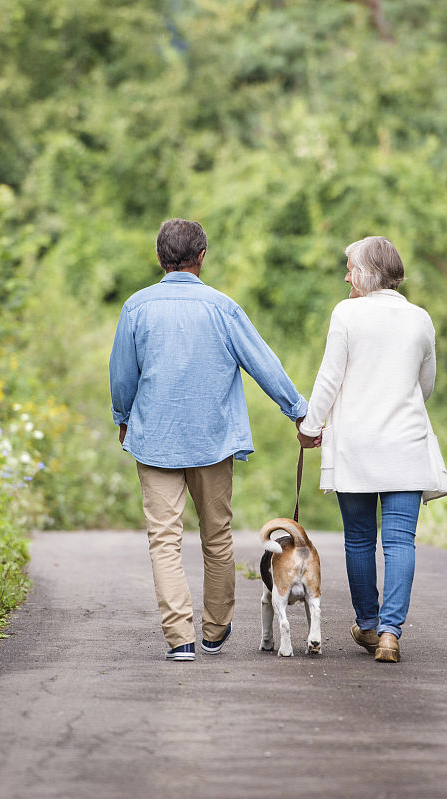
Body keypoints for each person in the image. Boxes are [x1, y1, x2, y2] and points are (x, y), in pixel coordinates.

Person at [110, 218, 309, 662]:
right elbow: (262, 361)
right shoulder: (223, 308)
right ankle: (215, 631)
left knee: (164, 539)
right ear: (202, 258)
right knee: (216, 536)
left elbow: (122, 375)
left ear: (160, 258)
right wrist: (298, 411)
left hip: (155, 439)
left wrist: (123, 418)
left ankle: (179, 637)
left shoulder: (136, 307)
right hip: (212, 440)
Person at [296, 236, 447, 664]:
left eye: (349, 267)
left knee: (360, 540)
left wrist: (310, 427)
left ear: (365, 271)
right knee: (400, 541)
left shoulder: (347, 313)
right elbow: (427, 386)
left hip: (357, 447)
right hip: (405, 444)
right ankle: (389, 633)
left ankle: (367, 624)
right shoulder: (421, 319)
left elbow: (330, 378)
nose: (346, 276)